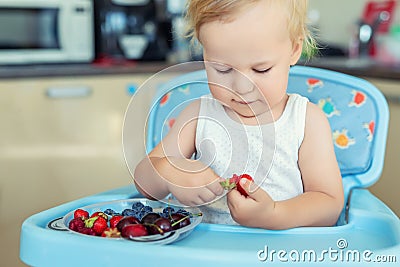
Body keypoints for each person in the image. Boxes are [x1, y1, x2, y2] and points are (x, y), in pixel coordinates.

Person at [134, 0, 344, 229]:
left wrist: (274, 214)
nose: (242, 88)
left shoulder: (306, 120)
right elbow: (144, 183)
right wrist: (169, 172)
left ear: (294, 49)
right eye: (222, 69)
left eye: (261, 69)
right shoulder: (198, 115)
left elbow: (329, 204)